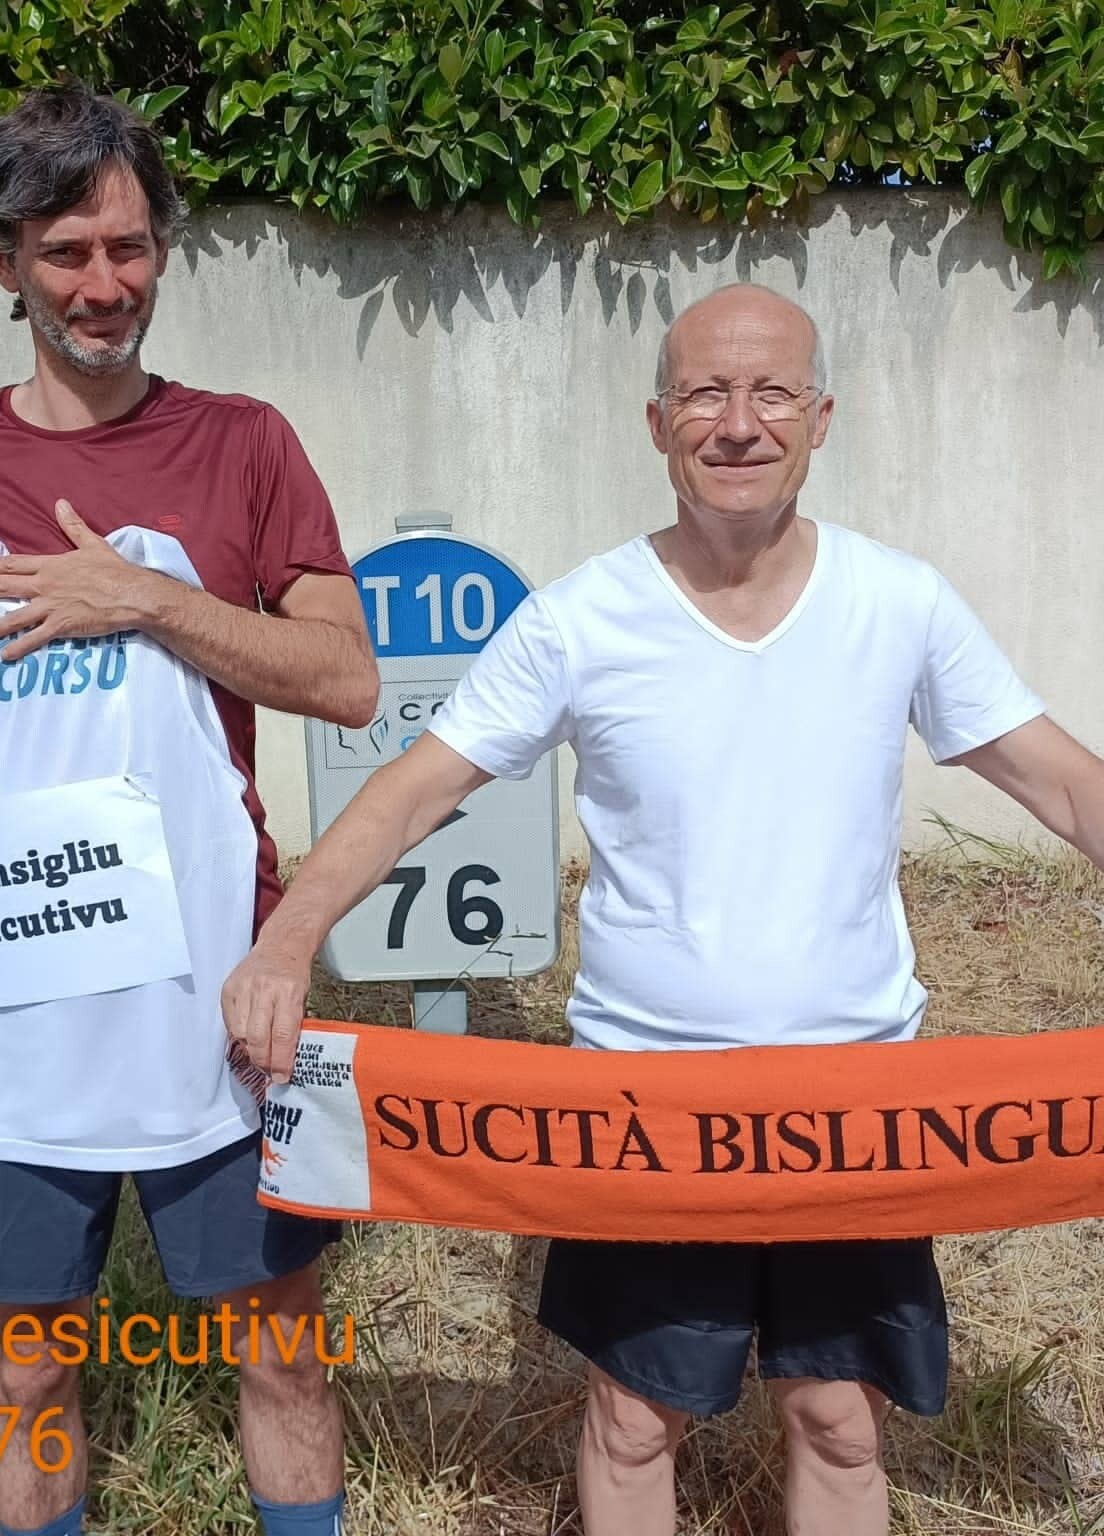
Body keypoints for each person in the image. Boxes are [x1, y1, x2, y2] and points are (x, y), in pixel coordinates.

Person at [220, 283, 1104, 1536]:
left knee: (839, 1419)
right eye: (704, 394)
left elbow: (1061, 782)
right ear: (657, 423)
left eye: (772, 393)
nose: (738, 424)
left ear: (820, 419)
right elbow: (414, 791)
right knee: (636, 1421)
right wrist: (287, 942)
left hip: (855, 1102)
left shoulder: (900, 602)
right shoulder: (581, 619)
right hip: (646, 1106)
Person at [0, 82, 377, 1536]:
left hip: (223, 984)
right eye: (68, 252)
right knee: (28, 1370)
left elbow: (347, 679)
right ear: (2, 258)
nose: (106, 284)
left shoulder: (246, 443)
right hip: (14, 989)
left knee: (281, 1351)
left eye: (131, 246)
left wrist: (146, 599)